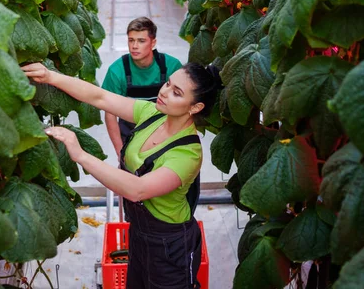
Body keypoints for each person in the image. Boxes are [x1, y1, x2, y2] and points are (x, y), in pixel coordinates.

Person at [22, 61, 222, 289]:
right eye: (168, 83)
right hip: (138, 232)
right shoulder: (153, 114)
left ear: (195, 108)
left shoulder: (188, 153)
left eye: (176, 93)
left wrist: (80, 155)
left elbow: (138, 189)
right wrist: (50, 76)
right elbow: (100, 98)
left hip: (170, 245)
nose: (164, 92)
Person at [102, 17, 183, 158]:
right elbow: (110, 114)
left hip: (167, 137)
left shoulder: (172, 66)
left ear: (153, 43)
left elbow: (185, 106)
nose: (134, 46)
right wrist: (121, 152)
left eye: (141, 41)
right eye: (131, 40)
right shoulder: (117, 70)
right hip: (132, 140)